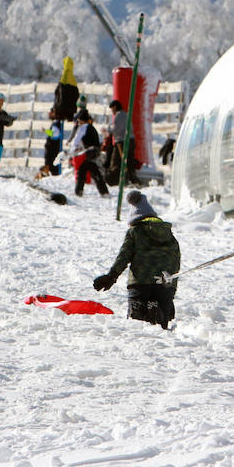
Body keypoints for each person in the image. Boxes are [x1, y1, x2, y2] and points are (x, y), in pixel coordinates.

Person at [92, 190, 180, 328]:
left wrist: (111, 277)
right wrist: (170, 290)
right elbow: (175, 261)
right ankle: (159, 312)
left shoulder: (135, 231)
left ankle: (148, 312)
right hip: (164, 284)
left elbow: (124, 256)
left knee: (137, 325)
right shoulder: (169, 234)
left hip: (141, 283)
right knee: (163, 330)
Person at [67, 108, 110, 196]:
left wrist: (70, 151)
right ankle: (104, 191)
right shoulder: (91, 127)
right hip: (95, 151)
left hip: (90, 152)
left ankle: (78, 192)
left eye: (79, 121)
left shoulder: (84, 127)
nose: (78, 123)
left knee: (82, 170)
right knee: (94, 171)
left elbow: (76, 140)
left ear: (82, 120)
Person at [35, 108, 63, 179]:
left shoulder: (57, 124)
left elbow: (55, 134)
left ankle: (45, 174)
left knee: (50, 165)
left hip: (52, 150)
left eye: (52, 111)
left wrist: (45, 131)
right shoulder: (55, 123)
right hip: (50, 150)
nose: (49, 113)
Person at [53, 57, 79, 123]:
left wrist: (56, 106)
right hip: (70, 110)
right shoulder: (73, 80)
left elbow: (57, 92)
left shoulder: (63, 78)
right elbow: (76, 94)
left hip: (60, 109)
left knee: (58, 127)